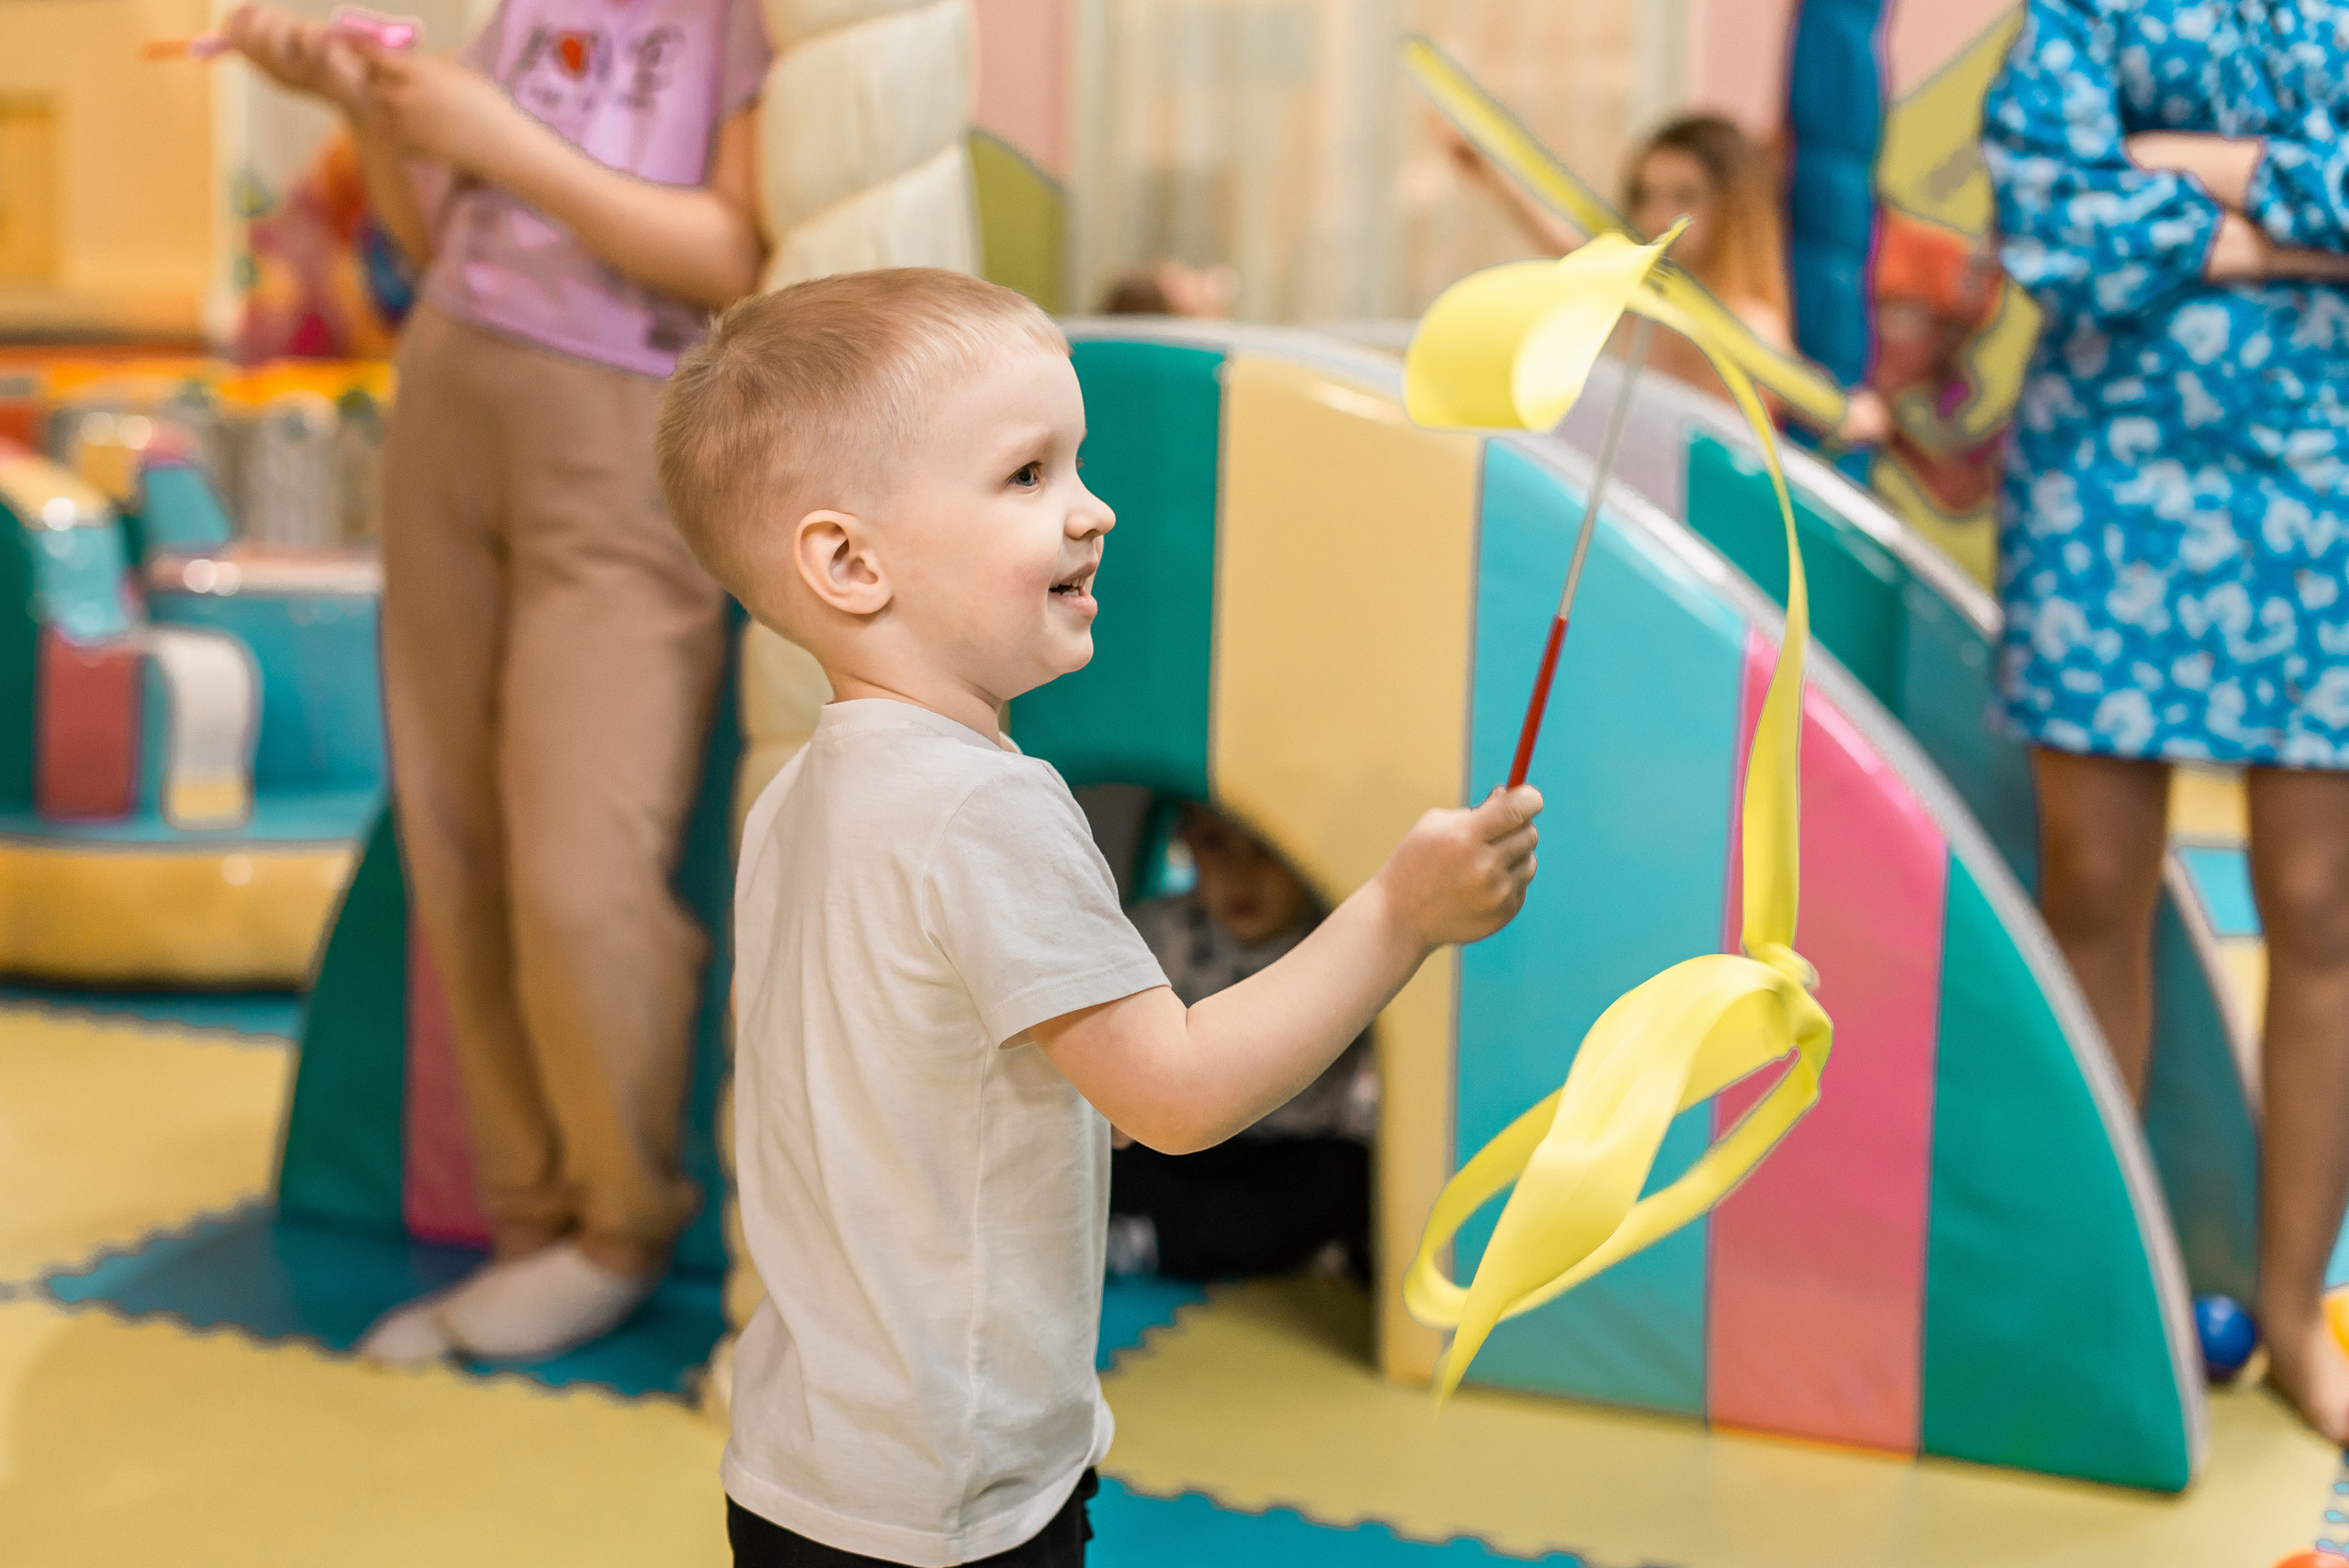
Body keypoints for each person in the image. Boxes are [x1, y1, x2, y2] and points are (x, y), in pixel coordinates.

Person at [654, 268, 1542, 1566]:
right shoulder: (988, 813)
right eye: (1028, 477)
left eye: (1077, 463)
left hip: (802, 1470)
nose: (1096, 509)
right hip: (952, 1501)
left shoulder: (800, 796)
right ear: (850, 562)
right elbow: (1172, 1095)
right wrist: (1399, 915)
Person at [223, 0, 768, 1362]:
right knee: (454, 841)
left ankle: (619, 1223)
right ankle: (535, 1218)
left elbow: (734, 257)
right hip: (448, 400)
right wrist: (358, 102)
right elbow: (430, 238)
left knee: (585, 866)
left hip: (628, 430)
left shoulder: (750, 20)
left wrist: (499, 140)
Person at [1981, 0, 2349, 1440]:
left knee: (2322, 909)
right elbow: (2048, 221)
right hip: (2104, 478)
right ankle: (2094, 1300)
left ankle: (2293, 1319)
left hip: (2325, 474)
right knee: (2090, 888)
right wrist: (2296, 213)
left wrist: (2183, 163)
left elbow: (2109, 203)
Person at [1449, 113, 1888, 445]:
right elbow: (1564, 243)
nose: (1658, 218)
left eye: (1685, 197)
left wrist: (1855, 414)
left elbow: (1812, 399)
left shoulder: (1747, 323)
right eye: (1646, 196)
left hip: (1708, 519)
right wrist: (1495, 177)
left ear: (1733, 207)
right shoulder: (1640, 294)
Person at [1108, 806, 1375, 1282]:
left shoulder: (1343, 942)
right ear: (1187, 843)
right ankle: (1148, 1238)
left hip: (1289, 1150)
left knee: (1348, 1179)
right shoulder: (1155, 934)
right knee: (1100, 1152)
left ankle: (1150, 1243)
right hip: (1178, 1139)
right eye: (1216, 844)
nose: (1242, 873)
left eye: (1267, 849)